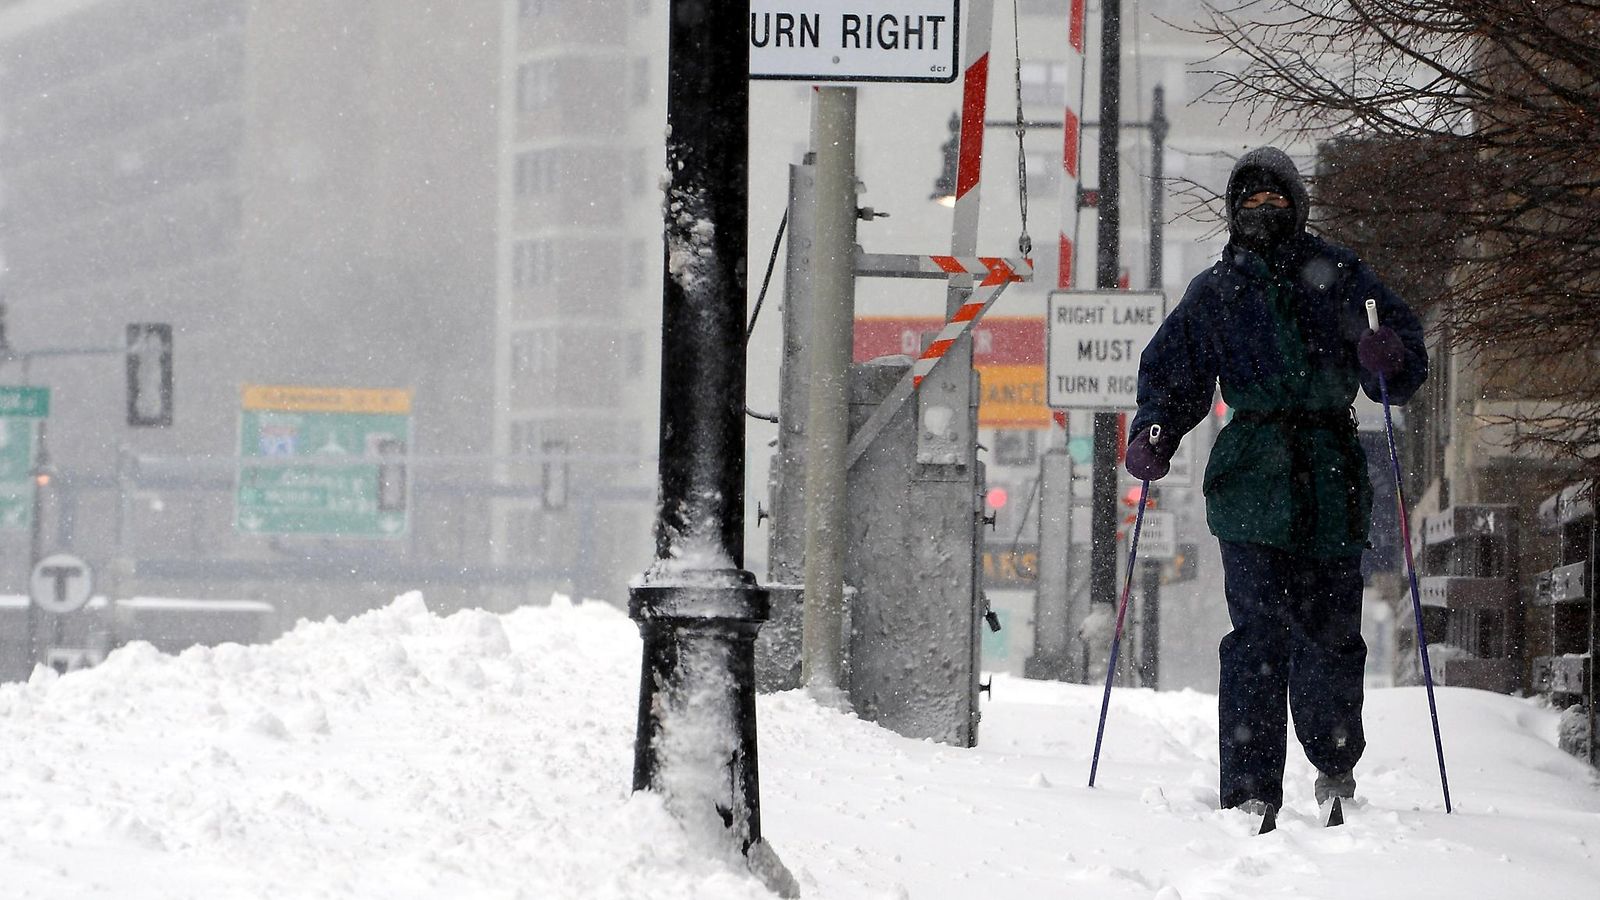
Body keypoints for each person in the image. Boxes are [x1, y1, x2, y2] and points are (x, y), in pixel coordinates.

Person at [1123, 147, 1427, 823]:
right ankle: (1250, 784)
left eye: (1276, 200)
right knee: (1257, 637)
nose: (1264, 212)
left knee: (1330, 633)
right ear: (1235, 211)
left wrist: (1389, 357)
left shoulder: (1342, 275)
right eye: (1251, 202)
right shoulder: (1216, 291)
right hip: (1252, 478)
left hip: (1330, 474)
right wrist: (1155, 431)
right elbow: (1175, 375)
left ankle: (1334, 759)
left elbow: (1401, 353)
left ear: (1298, 206)